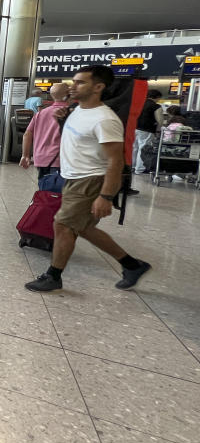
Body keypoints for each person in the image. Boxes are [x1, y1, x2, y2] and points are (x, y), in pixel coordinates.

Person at [25, 66, 151, 293]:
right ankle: (132, 265)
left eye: (80, 82)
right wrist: (63, 122)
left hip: (90, 179)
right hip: (73, 178)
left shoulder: (104, 119)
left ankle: (53, 276)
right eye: (74, 81)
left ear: (99, 87)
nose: (73, 87)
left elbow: (115, 160)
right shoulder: (78, 110)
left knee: (62, 224)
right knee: (82, 227)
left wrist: (105, 196)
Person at [19, 82, 71, 179]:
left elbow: (27, 134)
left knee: (46, 191)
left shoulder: (40, 113)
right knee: (58, 192)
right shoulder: (70, 113)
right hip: (60, 160)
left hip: (41, 158)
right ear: (68, 95)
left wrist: (25, 155)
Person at [133, 90, 163, 175]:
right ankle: (140, 169)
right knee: (143, 149)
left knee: (134, 148)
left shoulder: (137, 103)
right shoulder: (156, 106)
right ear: (157, 97)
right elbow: (160, 121)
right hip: (147, 129)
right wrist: (158, 130)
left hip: (133, 128)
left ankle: (132, 166)